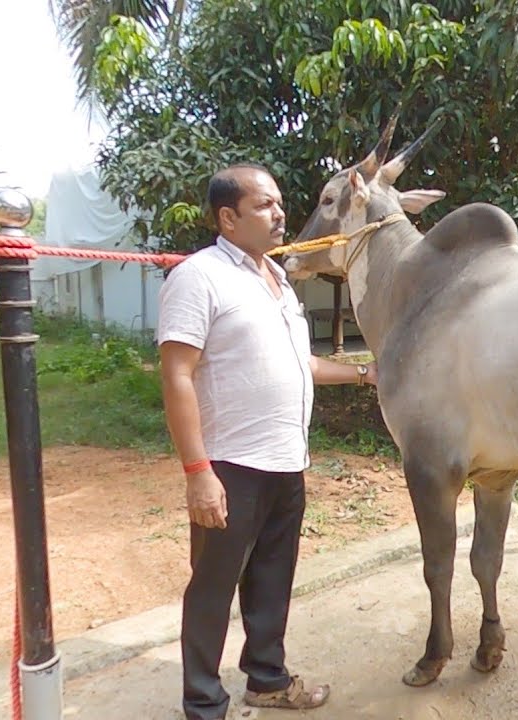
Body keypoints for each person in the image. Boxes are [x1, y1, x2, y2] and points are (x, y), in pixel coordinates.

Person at [156, 162, 376, 719]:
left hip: (285, 463)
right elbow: (177, 374)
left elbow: (296, 363)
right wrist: (197, 471)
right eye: (264, 205)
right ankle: (204, 704)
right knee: (212, 589)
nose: (280, 213)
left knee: (272, 581)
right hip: (230, 465)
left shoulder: (275, 279)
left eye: (279, 202)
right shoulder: (198, 276)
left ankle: (267, 680)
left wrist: (362, 374)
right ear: (228, 218)